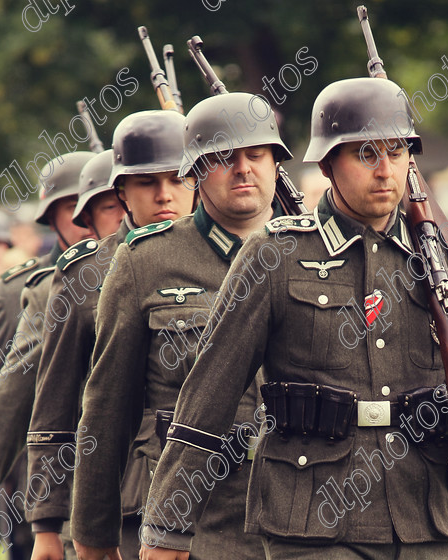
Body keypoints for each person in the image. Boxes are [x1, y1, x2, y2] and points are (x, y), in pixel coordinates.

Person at [139, 76, 448, 559]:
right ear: (327, 163)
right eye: (365, 154)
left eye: (397, 152)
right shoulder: (274, 255)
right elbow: (206, 400)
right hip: (314, 525)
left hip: (429, 518)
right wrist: (168, 530)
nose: (385, 170)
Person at [70, 92, 294, 560]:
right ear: (197, 170)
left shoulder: (312, 253)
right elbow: (108, 409)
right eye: (223, 158)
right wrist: (93, 537)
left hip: (301, 513)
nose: (243, 169)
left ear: (276, 164)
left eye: (257, 155)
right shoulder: (146, 261)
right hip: (194, 520)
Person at [26, 113, 193, 560]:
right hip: (130, 496)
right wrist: (46, 524)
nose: (164, 195)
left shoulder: (239, 257)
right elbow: (56, 405)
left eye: (177, 178)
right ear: (121, 193)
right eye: (146, 183)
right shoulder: (86, 274)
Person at [0, 151, 95, 560]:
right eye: (73, 207)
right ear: (50, 215)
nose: (86, 218)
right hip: (43, 485)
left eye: (99, 204)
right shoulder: (20, 291)